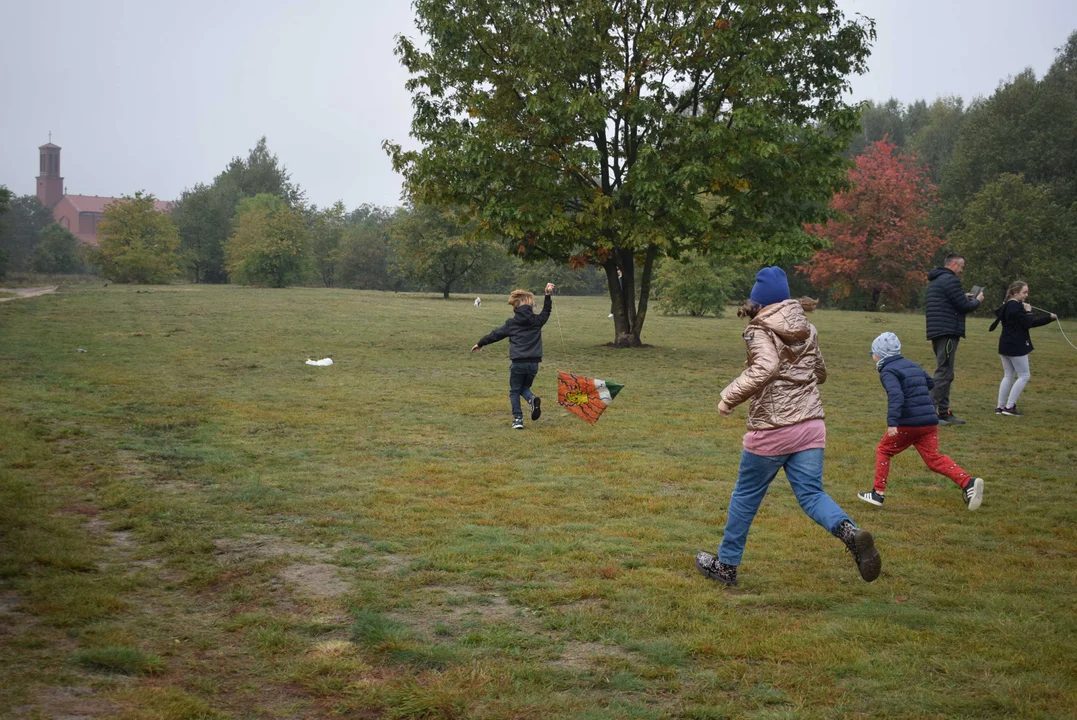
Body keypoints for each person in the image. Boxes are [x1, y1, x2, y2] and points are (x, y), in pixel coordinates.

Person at [695, 267, 881, 587]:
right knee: (811, 494)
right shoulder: (807, 328)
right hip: (811, 426)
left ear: (759, 301)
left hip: (772, 429)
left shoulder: (758, 330)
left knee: (745, 498)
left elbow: (766, 367)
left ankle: (726, 566)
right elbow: (820, 372)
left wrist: (728, 398)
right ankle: (849, 532)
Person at [857, 332, 984, 510]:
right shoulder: (912, 365)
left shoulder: (888, 370)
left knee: (884, 450)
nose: (873, 357)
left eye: (873, 353)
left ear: (881, 355)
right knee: (934, 459)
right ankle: (968, 482)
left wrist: (892, 422)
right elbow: (930, 383)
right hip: (930, 422)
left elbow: (896, 395)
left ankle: (878, 492)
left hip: (908, 424)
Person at [472, 283, 555, 429]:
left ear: (515, 307)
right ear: (529, 306)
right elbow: (546, 311)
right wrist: (547, 295)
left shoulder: (512, 323)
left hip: (518, 362)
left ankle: (518, 419)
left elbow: (495, 335)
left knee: (514, 391)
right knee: (524, 387)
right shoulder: (537, 321)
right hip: (534, 363)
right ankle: (532, 399)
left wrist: (480, 343)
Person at [925, 253, 984, 425]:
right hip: (948, 332)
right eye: (961, 267)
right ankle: (930, 412)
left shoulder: (937, 280)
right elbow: (964, 307)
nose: (961, 271)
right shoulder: (951, 281)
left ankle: (944, 411)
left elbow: (949, 301)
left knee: (947, 372)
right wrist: (977, 301)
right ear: (954, 265)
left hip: (937, 331)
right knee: (943, 372)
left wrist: (962, 296)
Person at [991, 281, 1056, 416]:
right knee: (1024, 375)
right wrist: (1028, 312)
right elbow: (1028, 322)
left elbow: (1029, 323)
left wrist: (1049, 319)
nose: (1026, 295)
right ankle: (1009, 407)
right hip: (1016, 345)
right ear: (1015, 293)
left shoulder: (1009, 306)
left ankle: (1000, 406)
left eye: (1027, 292)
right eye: (1024, 292)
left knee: (1008, 375)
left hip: (1005, 344)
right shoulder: (1015, 307)